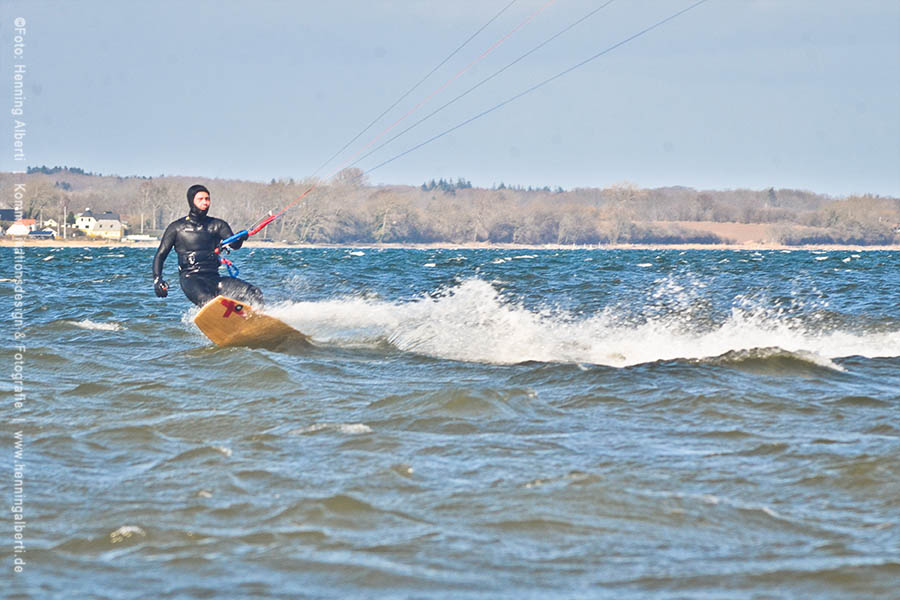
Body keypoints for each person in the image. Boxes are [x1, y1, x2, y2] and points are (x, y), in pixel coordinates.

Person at [153, 184, 263, 307]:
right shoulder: (177, 228)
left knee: (254, 293)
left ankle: (259, 320)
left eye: (207, 199)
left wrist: (240, 237)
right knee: (210, 303)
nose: (205, 202)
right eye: (200, 199)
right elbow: (160, 255)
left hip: (214, 278)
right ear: (191, 201)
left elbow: (234, 245)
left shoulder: (217, 225)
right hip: (191, 278)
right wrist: (158, 279)